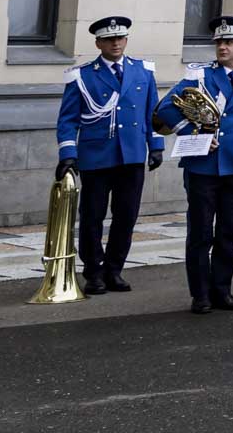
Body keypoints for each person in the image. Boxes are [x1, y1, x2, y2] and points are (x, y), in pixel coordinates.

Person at [155, 15, 233, 313]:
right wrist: (192, 133)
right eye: (219, 41)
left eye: (229, 41)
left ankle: (223, 291)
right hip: (203, 166)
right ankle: (200, 294)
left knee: (229, 231)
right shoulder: (199, 75)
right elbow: (165, 108)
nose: (222, 46)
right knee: (201, 233)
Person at [56, 16, 164, 297]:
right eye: (109, 39)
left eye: (120, 38)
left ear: (126, 40)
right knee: (92, 216)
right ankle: (93, 271)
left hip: (132, 155)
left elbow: (152, 112)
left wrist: (156, 146)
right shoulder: (82, 75)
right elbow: (68, 120)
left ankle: (114, 269)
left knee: (126, 216)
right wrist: (68, 154)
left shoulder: (143, 71)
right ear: (98, 43)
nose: (115, 43)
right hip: (96, 156)